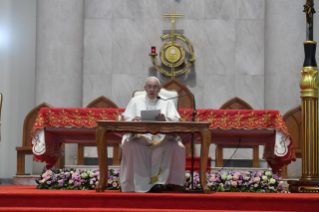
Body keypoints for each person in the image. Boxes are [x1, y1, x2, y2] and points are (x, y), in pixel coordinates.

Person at [120, 76, 186, 193]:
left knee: (175, 145)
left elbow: (176, 120)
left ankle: (163, 182)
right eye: (149, 87)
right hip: (140, 137)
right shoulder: (135, 101)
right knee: (132, 145)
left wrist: (164, 118)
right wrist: (134, 120)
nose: (152, 90)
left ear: (159, 89)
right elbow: (126, 119)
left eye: (155, 87)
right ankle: (138, 184)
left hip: (162, 136)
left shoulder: (167, 102)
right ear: (145, 88)